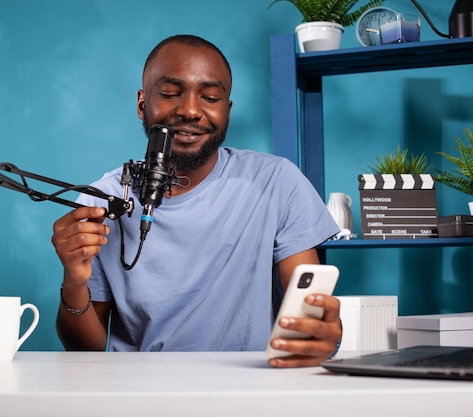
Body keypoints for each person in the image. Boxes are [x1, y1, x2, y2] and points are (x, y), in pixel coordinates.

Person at [52, 34, 342, 368]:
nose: (190, 110)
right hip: (140, 394)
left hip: (251, 390)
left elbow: (310, 310)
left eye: (211, 97)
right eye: (171, 94)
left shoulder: (276, 181)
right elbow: (84, 352)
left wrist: (320, 333)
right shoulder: (102, 200)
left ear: (227, 110)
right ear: (141, 104)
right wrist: (74, 280)